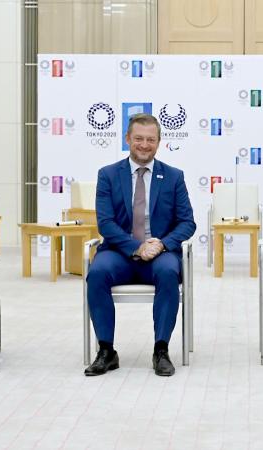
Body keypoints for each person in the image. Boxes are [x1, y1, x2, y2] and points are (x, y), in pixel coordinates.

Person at [85, 113, 196, 377]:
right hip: (119, 252)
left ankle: (161, 349)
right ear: (127, 139)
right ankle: (106, 350)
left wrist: (162, 244)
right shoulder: (109, 175)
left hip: (160, 253)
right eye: (138, 139)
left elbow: (187, 222)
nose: (144, 145)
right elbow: (106, 223)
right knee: (97, 273)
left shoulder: (173, 176)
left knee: (170, 272)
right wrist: (137, 247)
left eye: (150, 139)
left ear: (159, 142)